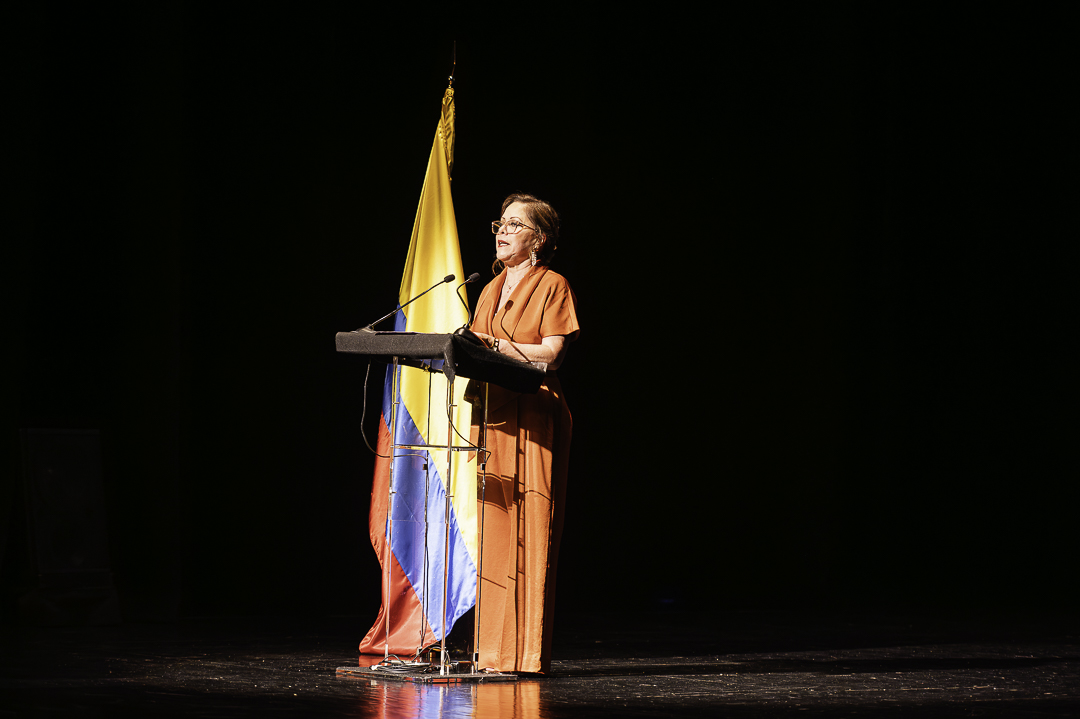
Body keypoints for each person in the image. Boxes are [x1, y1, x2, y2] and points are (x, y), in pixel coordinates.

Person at [468, 193, 580, 674]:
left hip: (533, 414)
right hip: (491, 414)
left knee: (529, 527)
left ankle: (525, 655)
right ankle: (489, 653)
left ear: (540, 239)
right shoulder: (488, 287)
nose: (503, 230)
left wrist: (494, 345)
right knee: (492, 529)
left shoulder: (553, 284)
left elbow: (552, 353)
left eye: (516, 224)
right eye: (501, 221)